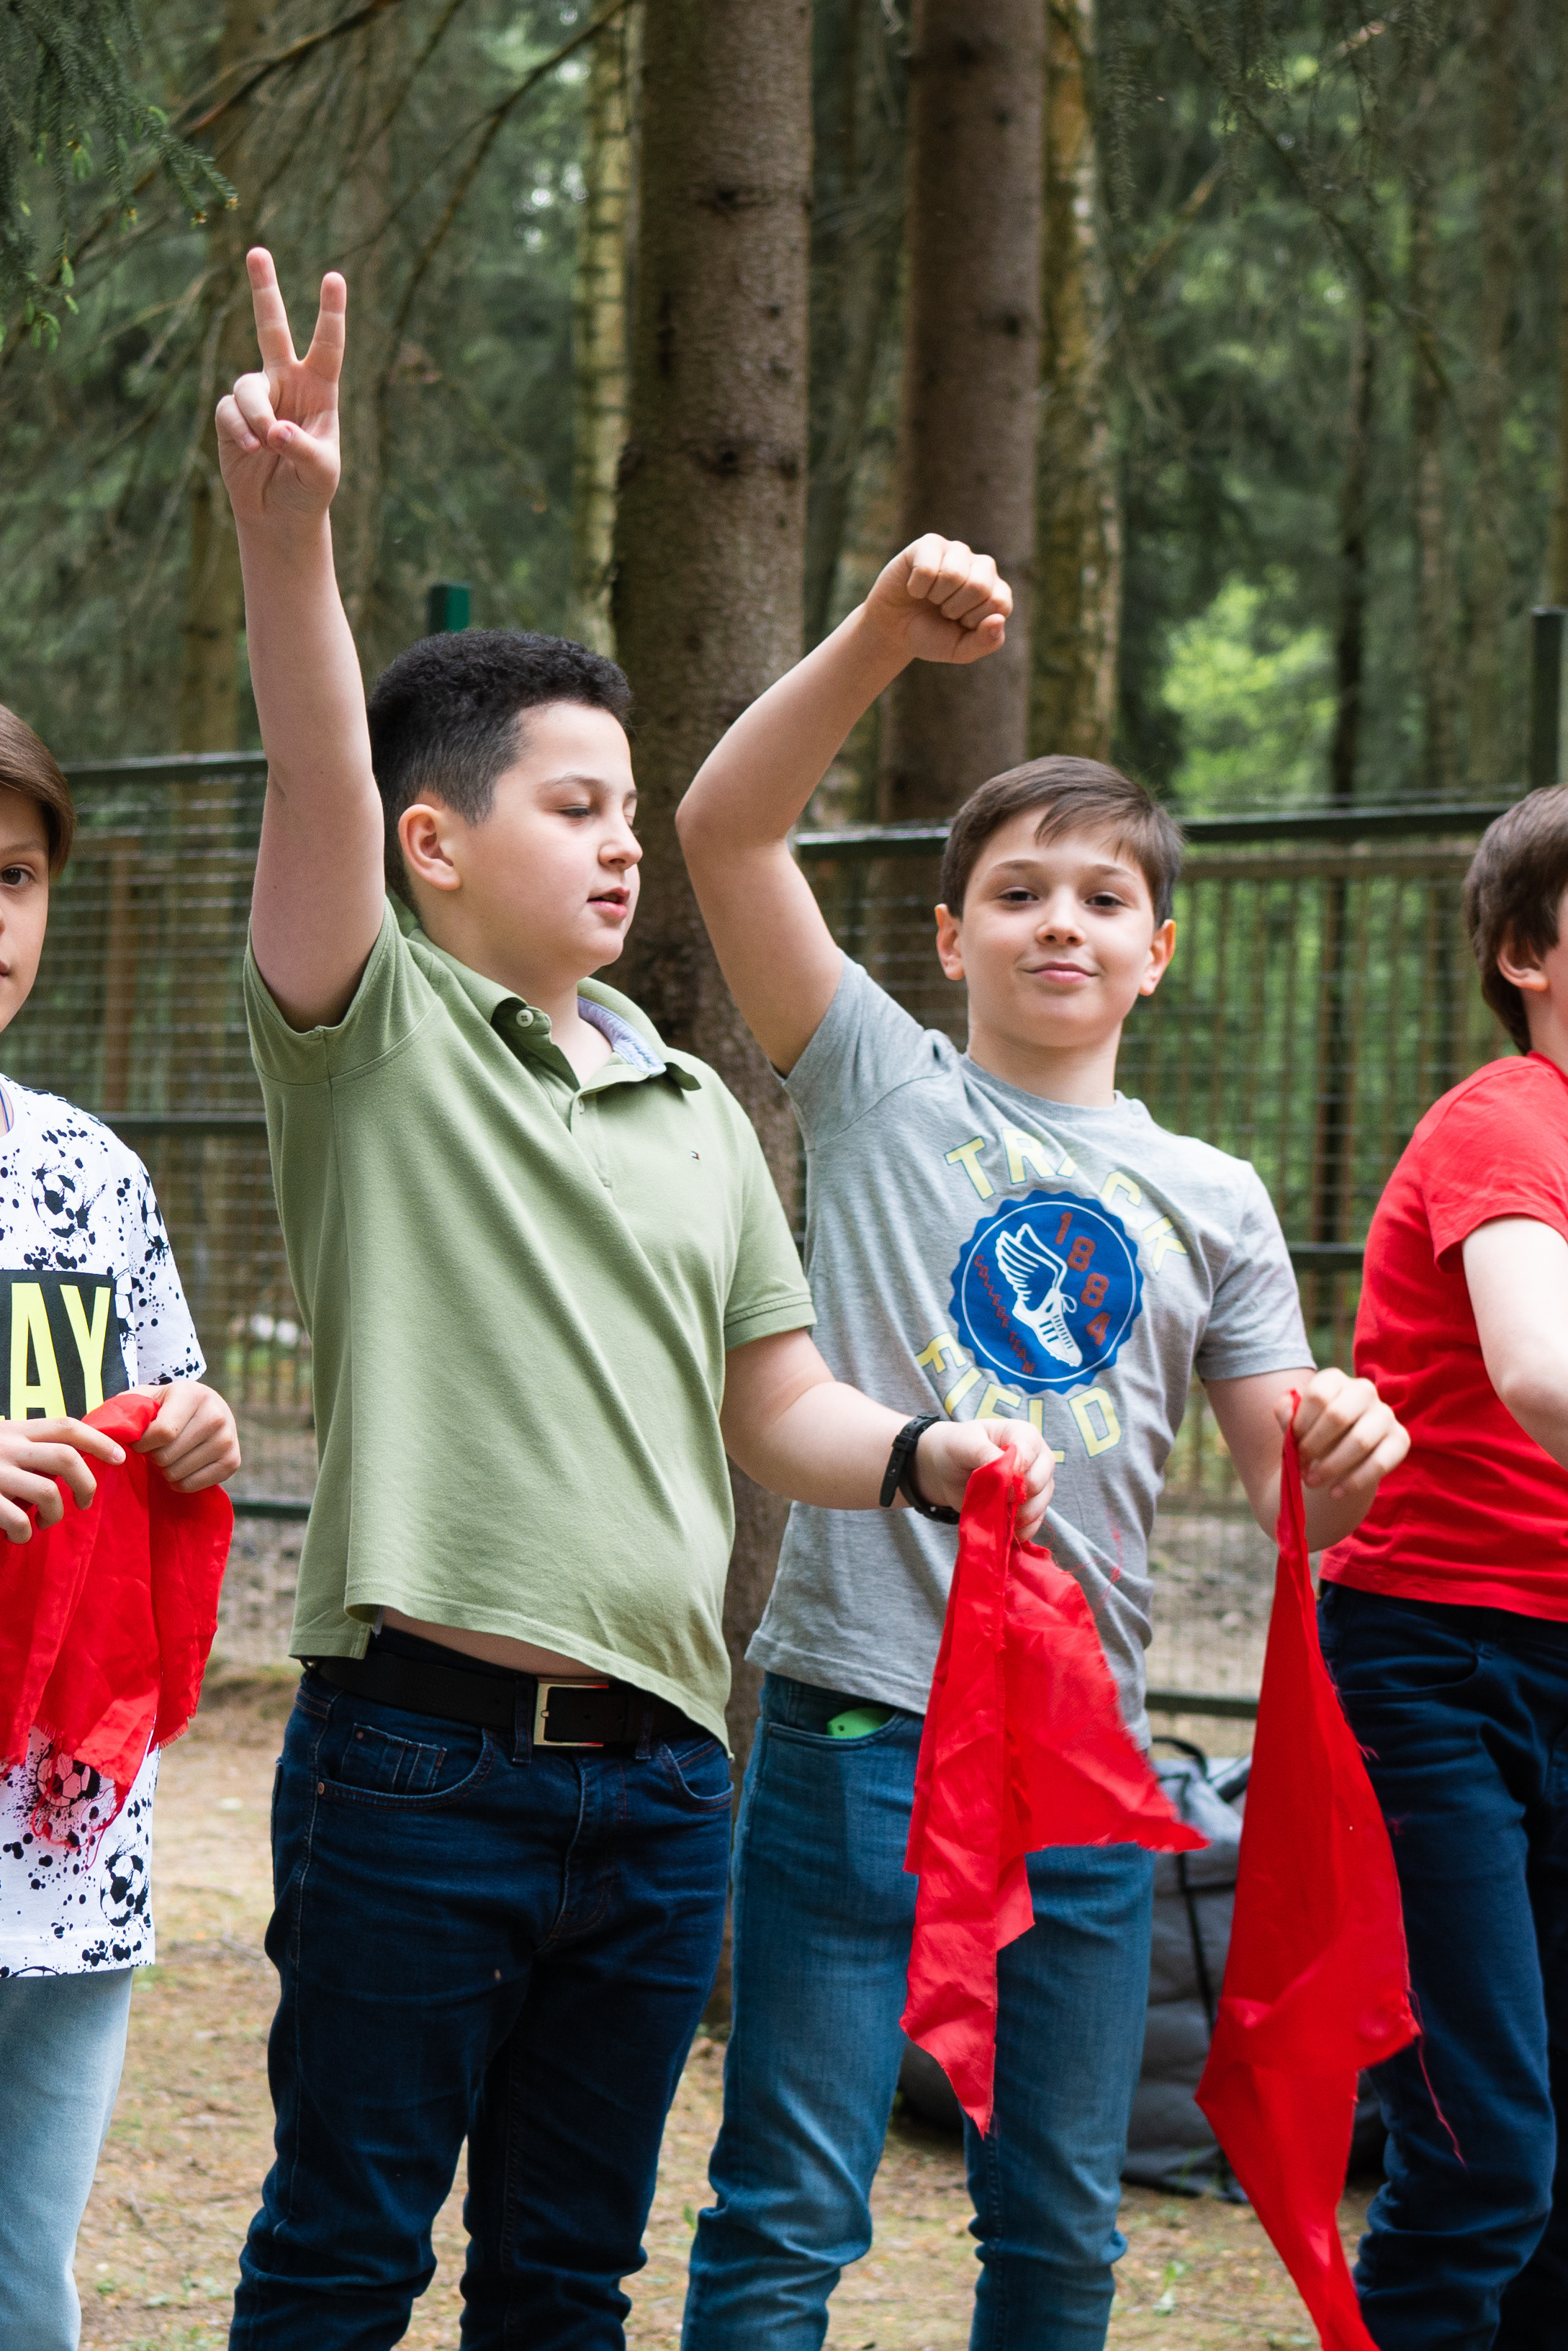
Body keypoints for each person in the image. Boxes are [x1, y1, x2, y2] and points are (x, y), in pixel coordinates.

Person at [213, 256, 1051, 2351]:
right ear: (435, 844)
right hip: (417, 1762)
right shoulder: (372, 1035)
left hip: (670, 1783)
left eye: (623, 811)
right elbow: (318, 760)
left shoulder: (697, 1105)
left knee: (571, 2279)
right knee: (341, 2256)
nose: (616, 850)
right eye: (573, 808)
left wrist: (933, 1451)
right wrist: (289, 523)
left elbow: (776, 1405)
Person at [672, 534, 1411, 2351]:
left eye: (1099, 897)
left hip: (1086, 1764)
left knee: (1060, 2230)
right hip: (857, 1725)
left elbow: (1277, 1485)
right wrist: (871, 640)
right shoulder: (873, 1076)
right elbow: (723, 832)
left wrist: (1351, 1440)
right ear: (949, 937)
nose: (1058, 921)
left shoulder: (1218, 1199)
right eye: (1016, 892)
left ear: (1161, 951)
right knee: (787, 2211)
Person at [0, 703, 241, 2351]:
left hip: (64, 1840)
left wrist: (202, 1428)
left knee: (28, 2274)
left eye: (11, 878)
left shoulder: (89, 1169)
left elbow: (163, 1406)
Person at [1316, 785, 1568, 2349]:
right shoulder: (1508, 1118)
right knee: (1488, 2149)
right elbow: (1539, 1369)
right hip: (1438, 1667)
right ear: (1531, 950)